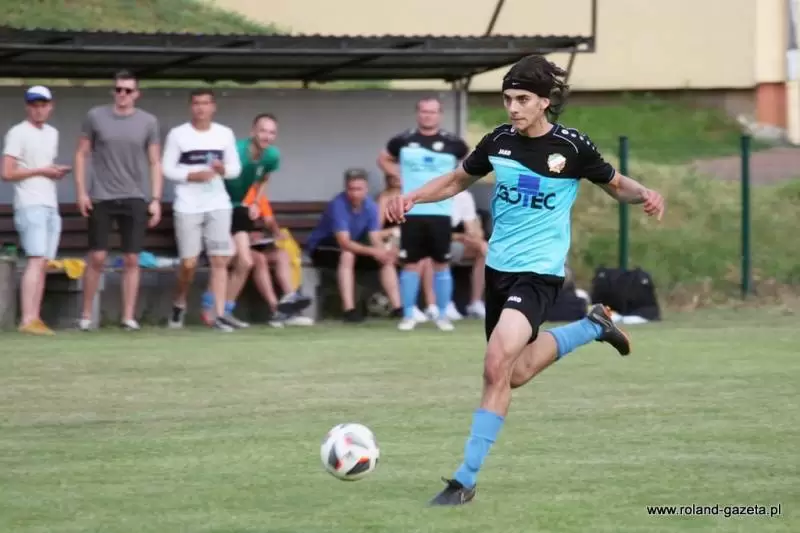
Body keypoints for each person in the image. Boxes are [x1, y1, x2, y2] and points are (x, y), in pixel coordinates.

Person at [385, 54, 665, 506]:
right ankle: (592, 326)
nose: (513, 107)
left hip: (539, 274)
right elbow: (456, 181)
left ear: (544, 102)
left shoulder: (572, 148)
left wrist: (646, 194)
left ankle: (464, 480)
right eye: (508, 99)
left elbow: (616, 184)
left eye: (522, 99)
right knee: (513, 374)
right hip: (499, 271)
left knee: (495, 364)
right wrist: (413, 196)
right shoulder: (498, 141)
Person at [74, 70, 162, 331]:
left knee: (132, 258)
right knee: (98, 256)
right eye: (118, 89)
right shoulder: (95, 116)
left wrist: (156, 198)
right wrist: (81, 192)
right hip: (102, 195)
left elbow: (155, 161)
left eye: (127, 90)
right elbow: (81, 154)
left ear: (137, 94)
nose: (122, 94)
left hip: (135, 196)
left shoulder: (149, 121)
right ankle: (86, 316)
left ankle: (128, 317)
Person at [377, 96, 469, 332]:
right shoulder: (404, 140)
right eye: (424, 111)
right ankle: (408, 315)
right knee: (410, 264)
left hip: (441, 211)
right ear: (418, 113)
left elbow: (470, 164)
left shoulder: (453, 143)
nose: (428, 115)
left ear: (440, 114)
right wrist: (397, 175)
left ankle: (442, 315)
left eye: (432, 111)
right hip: (412, 211)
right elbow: (383, 158)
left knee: (441, 263)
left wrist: (456, 182)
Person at [162, 88, 242, 332]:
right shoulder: (178, 134)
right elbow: (167, 168)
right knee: (189, 263)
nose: (201, 108)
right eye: (196, 103)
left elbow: (235, 168)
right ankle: (179, 302)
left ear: (213, 107)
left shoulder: (224, 133)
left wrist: (222, 170)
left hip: (218, 204)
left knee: (219, 259)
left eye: (206, 103)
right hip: (187, 205)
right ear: (191, 106)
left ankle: (219, 315)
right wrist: (191, 175)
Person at [220, 113, 310, 326]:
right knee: (247, 260)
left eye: (272, 132)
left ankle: (287, 305)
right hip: (220, 210)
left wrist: (255, 204)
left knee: (275, 255)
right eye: (263, 131)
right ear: (253, 131)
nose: (267, 136)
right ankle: (218, 310)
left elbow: (265, 181)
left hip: (239, 216)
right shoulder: (235, 152)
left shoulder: (271, 157)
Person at [1, 86, 70, 335]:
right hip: (29, 203)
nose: (39, 110)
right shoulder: (17, 133)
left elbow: (44, 166)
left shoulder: (52, 133)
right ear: (27, 107)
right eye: (34, 105)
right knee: (35, 259)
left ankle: (35, 317)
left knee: (44, 262)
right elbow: (7, 172)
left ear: (51, 107)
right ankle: (27, 319)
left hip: (50, 202)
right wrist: (41, 171)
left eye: (43, 105)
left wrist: (54, 170)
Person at [305, 168, 402, 323]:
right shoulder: (338, 205)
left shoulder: (371, 206)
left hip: (353, 245)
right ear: (346, 188)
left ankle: (398, 309)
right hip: (323, 248)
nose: (355, 193)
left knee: (385, 259)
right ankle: (349, 311)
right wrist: (374, 251)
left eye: (359, 189)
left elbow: (374, 237)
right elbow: (344, 242)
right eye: (351, 189)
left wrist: (382, 252)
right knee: (348, 255)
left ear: (366, 189)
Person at [419, 189, 488, 320]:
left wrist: (476, 237)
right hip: (430, 242)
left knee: (484, 249)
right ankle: (440, 304)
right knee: (436, 252)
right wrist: (459, 236)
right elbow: (429, 232)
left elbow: (472, 228)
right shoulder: (430, 194)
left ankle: (475, 303)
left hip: (453, 243)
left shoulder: (464, 196)